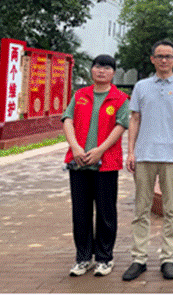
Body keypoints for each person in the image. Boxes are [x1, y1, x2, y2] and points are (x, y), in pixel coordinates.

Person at [122, 40, 173, 281]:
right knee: (141, 209)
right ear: (152, 59)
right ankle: (139, 258)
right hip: (144, 155)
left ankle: (168, 258)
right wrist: (131, 152)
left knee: (171, 210)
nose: (164, 60)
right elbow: (134, 119)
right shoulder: (141, 86)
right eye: (159, 56)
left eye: (168, 56)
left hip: (172, 157)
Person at [62, 54, 129, 277]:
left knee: (105, 212)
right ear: (91, 70)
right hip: (79, 162)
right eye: (98, 67)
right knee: (80, 213)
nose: (102, 71)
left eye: (107, 68)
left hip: (106, 164)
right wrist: (75, 148)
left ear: (113, 73)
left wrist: (100, 150)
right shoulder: (80, 95)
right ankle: (83, 258)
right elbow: (68, 120)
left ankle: (104, 258)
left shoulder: (120, 98)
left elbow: (121, 126)